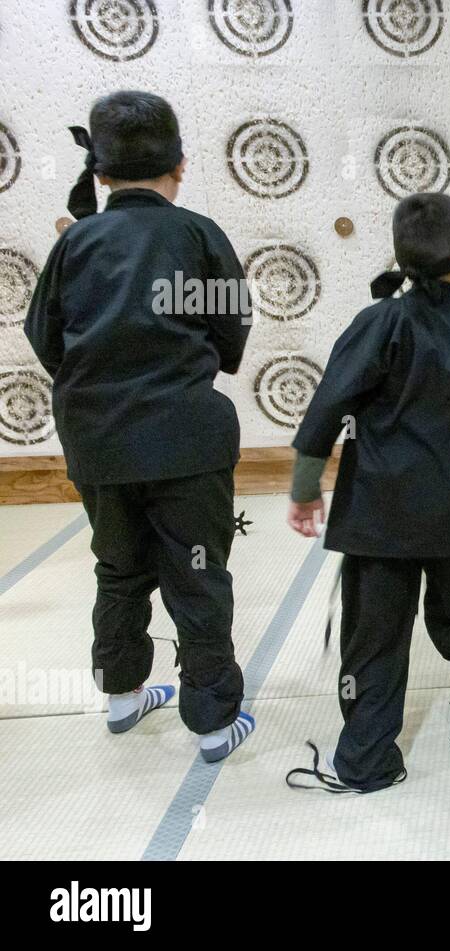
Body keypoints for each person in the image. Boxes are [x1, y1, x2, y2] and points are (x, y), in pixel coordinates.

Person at [25, 90, 254, 762]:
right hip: (186, 432)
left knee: (118, 565)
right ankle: (213, 720)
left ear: (100, 173)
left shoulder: (77, 242)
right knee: (198, 570)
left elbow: (46, 339)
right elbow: (231, 336)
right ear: (181, 164)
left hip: (96, 438)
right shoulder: (199, 234)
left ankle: (122, 695)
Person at [287, 193, 450, 792]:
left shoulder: (378, 323)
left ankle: (367, 758)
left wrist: (304, 488)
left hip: (379, 519)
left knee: (374, 635)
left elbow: (327, 407)